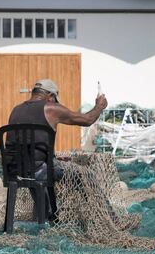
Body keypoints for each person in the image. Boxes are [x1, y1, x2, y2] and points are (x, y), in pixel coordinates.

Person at [7, 79, 108, 219]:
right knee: (86, 174)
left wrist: (51, 157)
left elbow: (28, 144)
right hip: (39, 171)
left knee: (38, 170)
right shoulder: (51, 108)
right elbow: (87, 120)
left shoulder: (16, 110)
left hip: (15, 170)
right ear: (50, 96)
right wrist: (99, 106)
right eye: (54, 99)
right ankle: (105, 218)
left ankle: (47, 215)